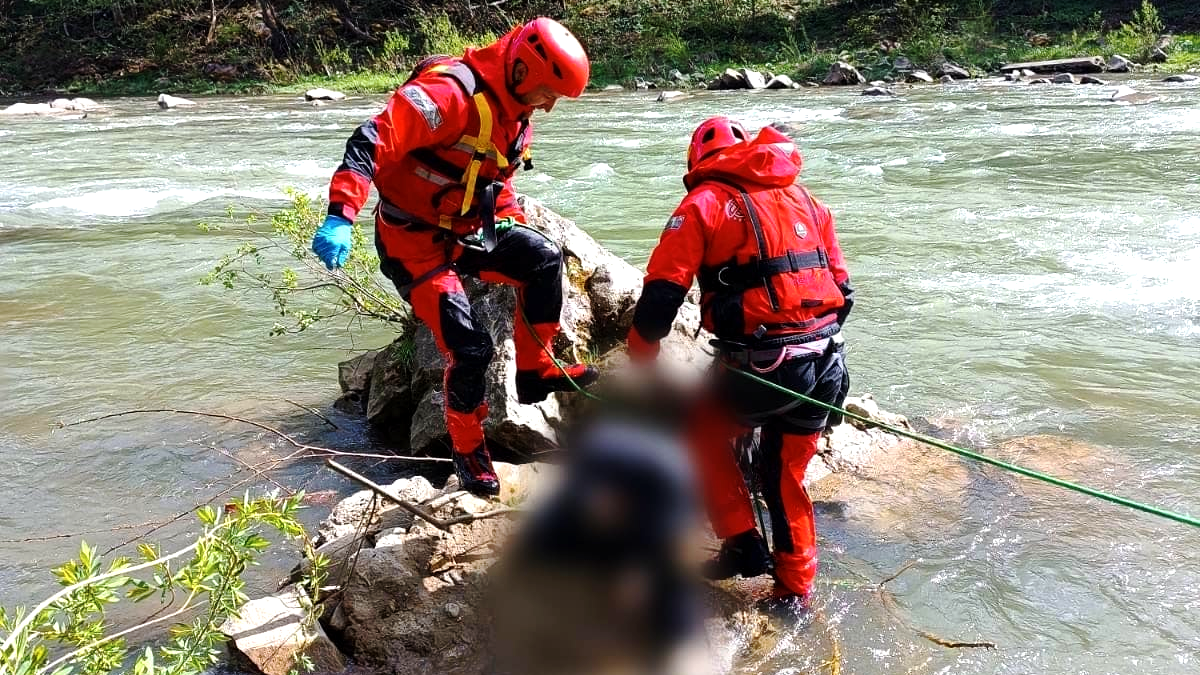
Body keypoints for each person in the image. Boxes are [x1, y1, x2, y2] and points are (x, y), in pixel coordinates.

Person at [311, 17, 599, 497]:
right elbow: (369, 142)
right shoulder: (448, 95)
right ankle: (469, 452)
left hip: (467, 232)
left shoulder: (514, 112)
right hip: (412, 243)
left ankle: (535, 372)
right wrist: (341, 215)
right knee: (470, 348)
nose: (549, 106)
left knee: (544, 259)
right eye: (547, 94)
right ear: (522, 70)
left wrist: (506, 219)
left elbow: (495, 180)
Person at [625, 117, 854, 602]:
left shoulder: (704, 202)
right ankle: (795, 589)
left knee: (701, 429)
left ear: (696, 161)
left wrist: (642, 350)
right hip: (827, 362)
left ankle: (743, 543)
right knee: (785, 474)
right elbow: (842, 287)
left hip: (766, 368)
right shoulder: (806, 199)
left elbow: (664, 291)